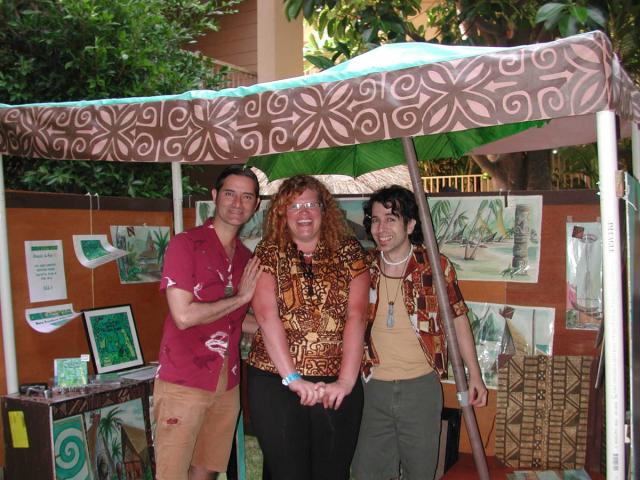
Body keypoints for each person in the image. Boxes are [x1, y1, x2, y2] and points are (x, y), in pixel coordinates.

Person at [352, 185, 487, 480]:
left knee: (421, 472)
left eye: (391, 219)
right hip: (371, 386)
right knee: (367, 472)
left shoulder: (435, 266)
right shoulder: (363, 267)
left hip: (420, 388)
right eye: (375, 220)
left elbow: (458, 320)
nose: (381, 228)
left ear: (411, 224)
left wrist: (475, 375)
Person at [246, 175, 370, 480]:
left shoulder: (350, 251)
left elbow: (357, 316)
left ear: (324, 210)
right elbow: (266, 316)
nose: (303, 212)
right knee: (287, 472)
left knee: (332, 472)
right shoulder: (268, 251)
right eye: (294, 205)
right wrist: (293, 378)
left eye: (311, 205)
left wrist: (345, 382)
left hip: (337, 381)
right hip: (275, 379)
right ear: (281, 213)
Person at [153, 165, 262, 480]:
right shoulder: (185, 244)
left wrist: (286, 330)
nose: (237, 203)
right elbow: (183, 316)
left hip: (227, 383)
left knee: (207, 472)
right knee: (172, 473)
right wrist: (241, 298)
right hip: (183, 380)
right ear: (215, 196)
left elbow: (237, 320)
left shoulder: (245, 258)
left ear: (256, 205)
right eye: (230, 194)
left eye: (247, 197)